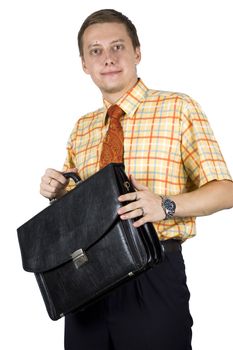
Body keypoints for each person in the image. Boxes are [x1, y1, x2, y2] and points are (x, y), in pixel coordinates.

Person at [40, 9, 233, 350]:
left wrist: (166, 205)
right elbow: (80, 213)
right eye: (95, 51)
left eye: (118, 47)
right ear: (84, 63)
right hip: (86, 280)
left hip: (152, 273)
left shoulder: (179, 108)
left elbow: (225, 191)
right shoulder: (82, 128)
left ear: (137, 52)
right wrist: (59, 193)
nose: (108, 58)